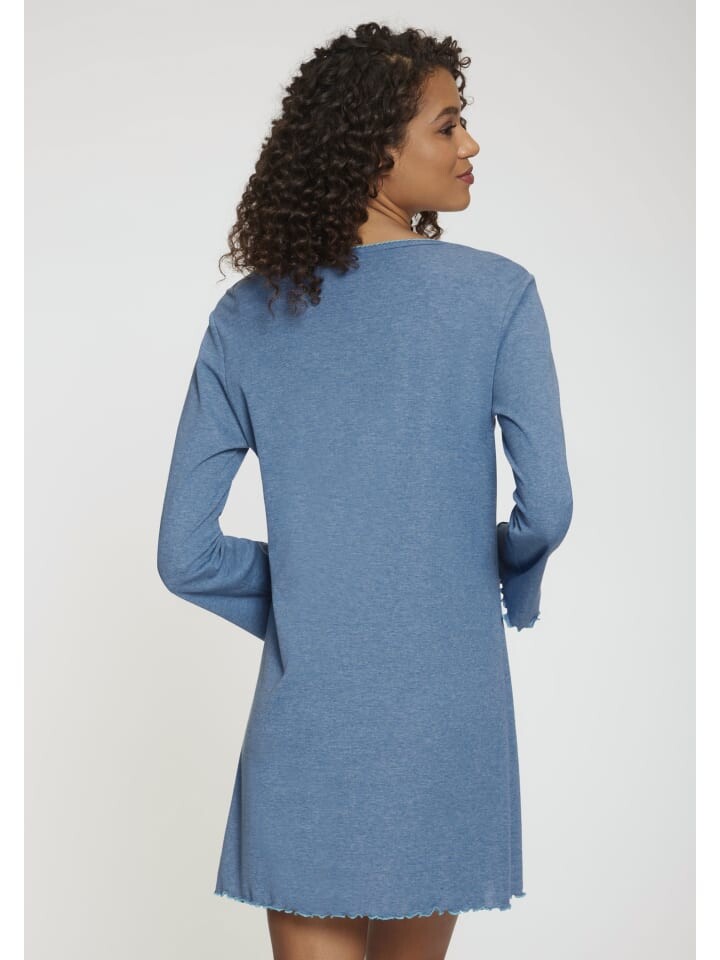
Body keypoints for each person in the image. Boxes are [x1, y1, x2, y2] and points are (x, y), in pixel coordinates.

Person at [157, 21, 573, 960]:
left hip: (309, 716)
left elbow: (184, 555)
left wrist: (319, 589)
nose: (471, 144)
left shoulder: (247, 316)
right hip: (448, 708)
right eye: (448, 125)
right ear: (376, 147)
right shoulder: (497, 295)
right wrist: (490, 575)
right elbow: (546, 508)